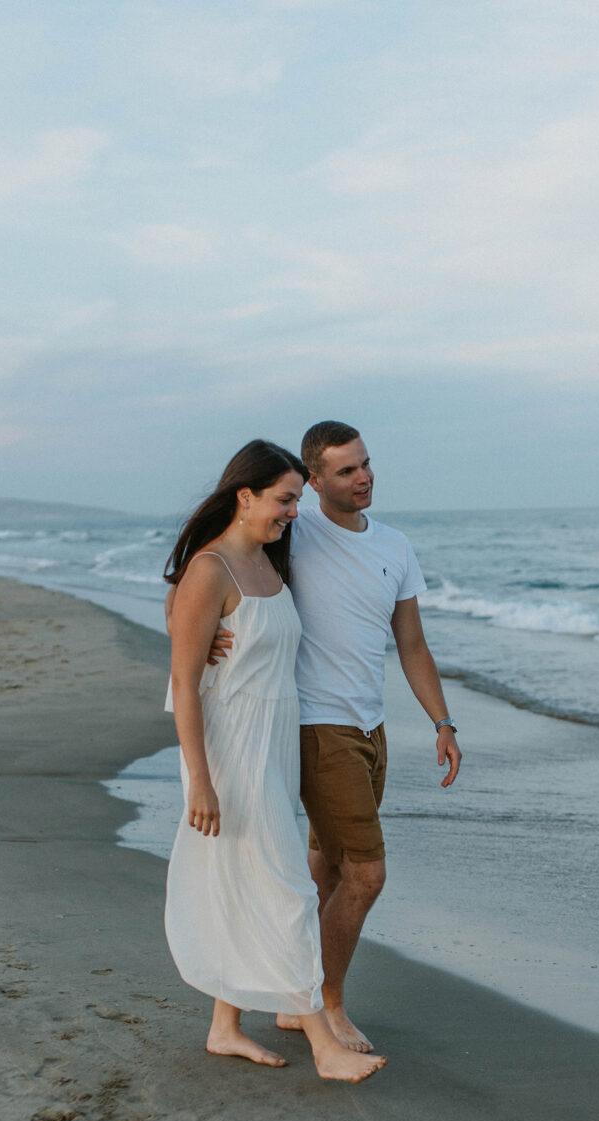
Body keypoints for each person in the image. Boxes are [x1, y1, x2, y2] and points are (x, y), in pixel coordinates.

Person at [210, 420, 462, 1054]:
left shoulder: (396, 546)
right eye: (346, 470)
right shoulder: (293, 532)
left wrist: (442, 721)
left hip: (370, 729)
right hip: (317, 726)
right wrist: (182, 629)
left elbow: (411, 643)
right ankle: (324, 1004)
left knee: (326, 868)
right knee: (366, 875)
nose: (364, 477)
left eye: (367, 464)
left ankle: (292, 1005)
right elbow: (204, 569)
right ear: (314, 479)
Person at [163, 439, 387, 1084]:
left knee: (248, 878)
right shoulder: (212, 570)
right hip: (229, 751)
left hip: (272, 744)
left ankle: (224, 1027)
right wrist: (200, 780)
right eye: (285, 499)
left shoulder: (267, 560)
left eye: (296, 499)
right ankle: (323, 1044)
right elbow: (183, 683)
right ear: (246, 495)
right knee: (285, 887)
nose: (294, 511)